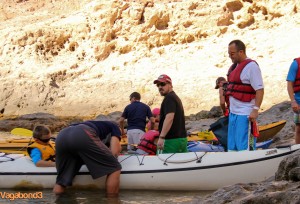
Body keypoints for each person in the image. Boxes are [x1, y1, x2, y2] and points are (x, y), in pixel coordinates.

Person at [53, 121, 122, 197]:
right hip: (83, 132)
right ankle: (112, 200)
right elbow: (114, 152)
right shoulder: (115, 126)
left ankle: (57, 198)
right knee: (114, 167)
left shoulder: (96, 124)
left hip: (62, 135)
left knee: (61, 180)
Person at [225, 40, 264, 151]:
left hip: (245, 114)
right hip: (233, 114)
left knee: (245, 148)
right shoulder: (234, 67)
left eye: (232, 54)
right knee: (232, 148)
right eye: (229, 54)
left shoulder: (251, 67)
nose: (230, 57)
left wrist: (255, 110)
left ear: (241, 52)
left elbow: (260, 90)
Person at [153, 74, 188, 154]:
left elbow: (169, 117)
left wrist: (161, 137)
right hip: (181, 139)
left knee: (162, 163)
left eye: (163, 84)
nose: (160, 87)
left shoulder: (169, 98)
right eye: (158, 85)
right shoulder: (175, 97)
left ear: (170, 85)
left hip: (170, 140)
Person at [286, 57, 300, 144]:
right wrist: (293, 101)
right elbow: (289, 84)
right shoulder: (296, 64)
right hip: (298, 102)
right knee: (299, 128)